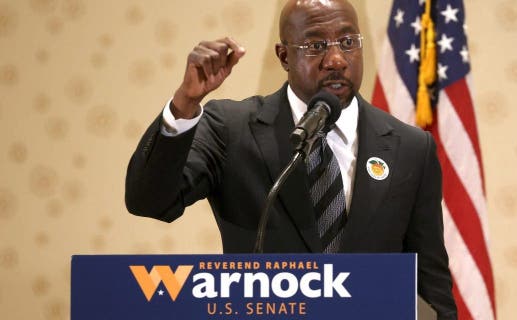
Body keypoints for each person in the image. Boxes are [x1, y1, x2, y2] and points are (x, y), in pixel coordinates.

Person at [125, 0, 457, 318]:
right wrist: (185, 104)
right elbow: (151, 202)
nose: (336, 59)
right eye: (315, 46)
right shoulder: (231, 128)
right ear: (284, 56)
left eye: (347, 41)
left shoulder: (411, 148)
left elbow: (430, 284)